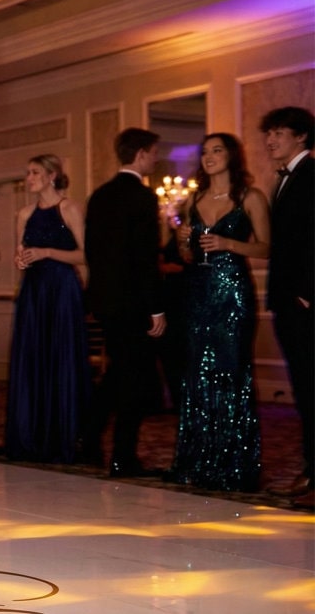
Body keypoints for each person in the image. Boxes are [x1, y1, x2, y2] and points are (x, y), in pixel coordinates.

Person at [169, 132, 269, 492]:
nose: (209, 157)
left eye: (217, 150)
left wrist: (229, 243)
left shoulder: (250, 198)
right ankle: (198, 459)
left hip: (233, 294)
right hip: (197, 293)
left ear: (232, 156)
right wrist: (183, 244)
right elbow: (185, 257)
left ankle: (233, 461)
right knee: (197, 371)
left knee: (230, 370)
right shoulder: (193, 200)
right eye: (205, 152)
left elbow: (268, 247)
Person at [84, 128, 168, 478]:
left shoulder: (99, 196)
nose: (155, 158)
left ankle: (88, 438)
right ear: (141, 154)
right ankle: (123, 456)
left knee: (119, 373)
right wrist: (156, 307)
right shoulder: (143, 198)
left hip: (105, 301)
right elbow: (145, 257)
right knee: (131, 379)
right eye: (153, 153)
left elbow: (93, 252)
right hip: (134, 303)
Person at [5, 155, 90, 464]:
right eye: (27, 173)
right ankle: (32, 436)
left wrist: (47, 252)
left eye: (35, 172)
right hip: (34, 292)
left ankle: (65, 437)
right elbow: (20, 256)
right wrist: (21, 260)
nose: (29, 178)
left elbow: (84, 256)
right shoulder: (24, 214)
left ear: (52, 176)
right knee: (33, 357)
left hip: (63, 291)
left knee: (61, 356)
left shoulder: (69, 208)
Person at [259, 106, 314, 509]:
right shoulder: (284, 180)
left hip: (304, 302)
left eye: (278, 132)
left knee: (311, 388)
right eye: (269, 133)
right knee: (304, 387)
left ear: (300, 136)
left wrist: (307, 291)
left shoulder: (310, 176)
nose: (270, 140)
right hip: (287, 300)